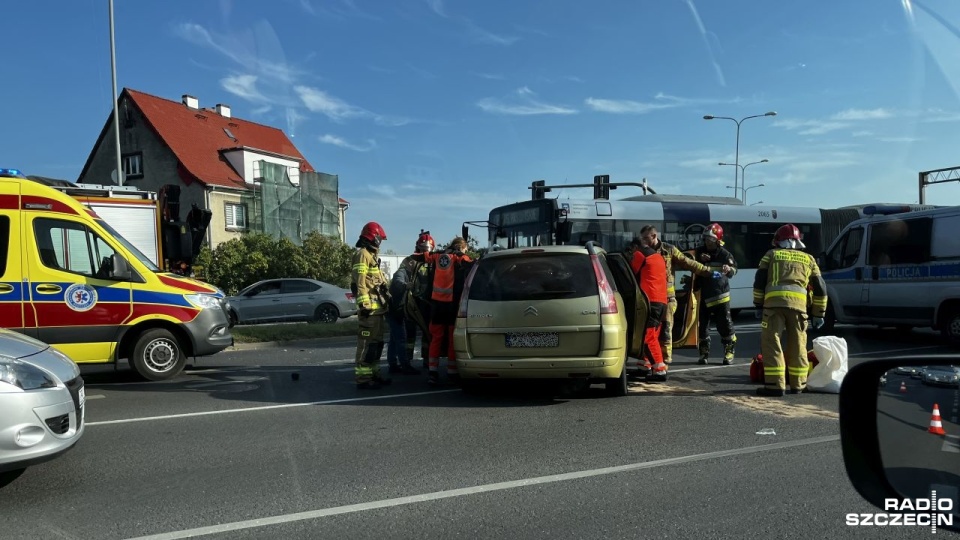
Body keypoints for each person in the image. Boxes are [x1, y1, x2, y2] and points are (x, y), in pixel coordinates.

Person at [753, 224, 828, 397]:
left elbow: (760, 281)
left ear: (778, 241)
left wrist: (758, 304)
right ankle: (798, 384)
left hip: (773, 307)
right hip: (799, 309)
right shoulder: (809, 259)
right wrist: (819, 313)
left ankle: (775, 386)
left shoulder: (770, 255)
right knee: (799, 345)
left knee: (772, 344)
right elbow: (821, 288)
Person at [639, 225, 715, 364]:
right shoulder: (642, 253)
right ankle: (650, 360)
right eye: (642, 239)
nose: (643, 242)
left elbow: (688, 263)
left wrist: (707, 271)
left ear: (654, 236)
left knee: (666, 331)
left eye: (646, 238)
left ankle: (665, 361)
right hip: (648, 299)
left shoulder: (669, 250)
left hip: (667, 299)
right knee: (650, 332)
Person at [420, 237, 473, 385]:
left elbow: (422, 257)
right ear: (461, 247)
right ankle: (452, 371)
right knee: (451, 339)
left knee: (436, 338)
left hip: (436, 306)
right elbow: (470, 264)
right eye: (465, 248)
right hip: (452, 306)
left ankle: (432, 372)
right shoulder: (459, 256)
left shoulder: (438, 255)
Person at [351, 222, 392, 390]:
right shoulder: (362, 255)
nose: (380, 242)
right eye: (379, 239)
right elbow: (359, 283)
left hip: (378, 310)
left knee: (376, 344)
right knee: (367, 345)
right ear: (372, 237)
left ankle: (374, 374)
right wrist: (364, 306)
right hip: (369, 311)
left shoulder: (371, 255)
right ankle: (363, 378)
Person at [386, 232, 433, 375]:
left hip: (427, 304)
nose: (424, 251)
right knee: (407, 335)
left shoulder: (434, 261)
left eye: (427, 249)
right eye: (422, 248)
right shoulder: (409, 261)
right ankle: (406, 362)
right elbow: (399, 275)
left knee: (427, 334)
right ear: (417, 247)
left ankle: (427, 360)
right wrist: (404, 284)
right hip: (411, 304)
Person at [694, 223, 738, 365]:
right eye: (706, 238)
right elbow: (688, 261)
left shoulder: (724, 254)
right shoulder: (699, 252)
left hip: (720, 297)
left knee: (725, 326)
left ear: (718, 240)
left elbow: (734, 269)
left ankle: (729, 351)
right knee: (702, 328)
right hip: (703, 296)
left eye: (711, 239)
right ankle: (704, 353)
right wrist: (700, 258)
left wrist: (729, 269)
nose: (707, 242)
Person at [628, 239, 669, 382]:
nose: (632, 253)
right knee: (653, 334)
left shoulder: (640, 254)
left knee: (648, 337)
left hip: (650, 301)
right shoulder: (657, 256)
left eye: (631, 250)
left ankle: (659, 370)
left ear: (635, 247)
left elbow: (630, 272)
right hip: (661, 301)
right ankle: (644, 366)